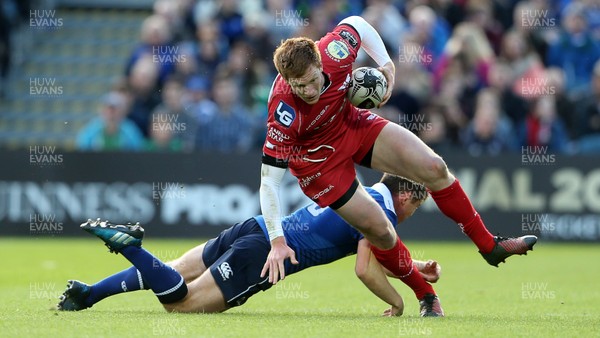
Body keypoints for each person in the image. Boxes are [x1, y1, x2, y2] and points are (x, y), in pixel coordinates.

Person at [258, 16, 537, 303]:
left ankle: (490, 246)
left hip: (349, 124)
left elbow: (359, 24)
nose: (309, 91)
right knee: (380, 231)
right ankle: (426, 294)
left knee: (434, 167)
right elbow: (269, 182)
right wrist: (277, 241)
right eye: (299, 86)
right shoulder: (283, 113)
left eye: (312, 81)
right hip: (319, 165)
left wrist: (387, 64)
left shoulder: (333, 51)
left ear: (319, 63)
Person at [57, 175, 444, 317]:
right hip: (263, 255)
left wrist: (414, 263)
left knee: (173, 270)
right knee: (181, 303)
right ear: (407, 197)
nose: (412, 214)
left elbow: (379, 255)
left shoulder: (356, 188)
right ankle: (132, 247)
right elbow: (365, 268)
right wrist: (398, 301)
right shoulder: (382, 215)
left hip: (257, 228)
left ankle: (89, 295)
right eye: (417, 206)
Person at [76, 91, 144, 151]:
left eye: (114, 109)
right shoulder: (90, 130)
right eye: (108, 108)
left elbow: (137, 149)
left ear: (122, 111)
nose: (111, 112)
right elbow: (82, 149)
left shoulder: (131, 130)